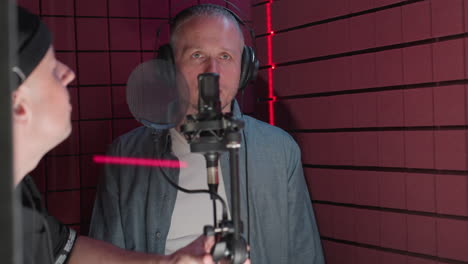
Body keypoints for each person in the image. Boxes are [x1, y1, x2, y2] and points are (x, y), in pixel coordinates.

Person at [89, 4, 325, 264]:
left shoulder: (280, 151)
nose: (211, 72)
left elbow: (305, 255)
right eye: (197, 55)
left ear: (244, 68)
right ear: (169, 66)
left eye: (225, 56)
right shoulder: (125, 155)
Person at [10, 6, 215, 264]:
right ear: (18, 105)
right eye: (51, 68)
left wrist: (168, 262)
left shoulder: (19, 199)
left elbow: (65, 251)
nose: (68, 73)